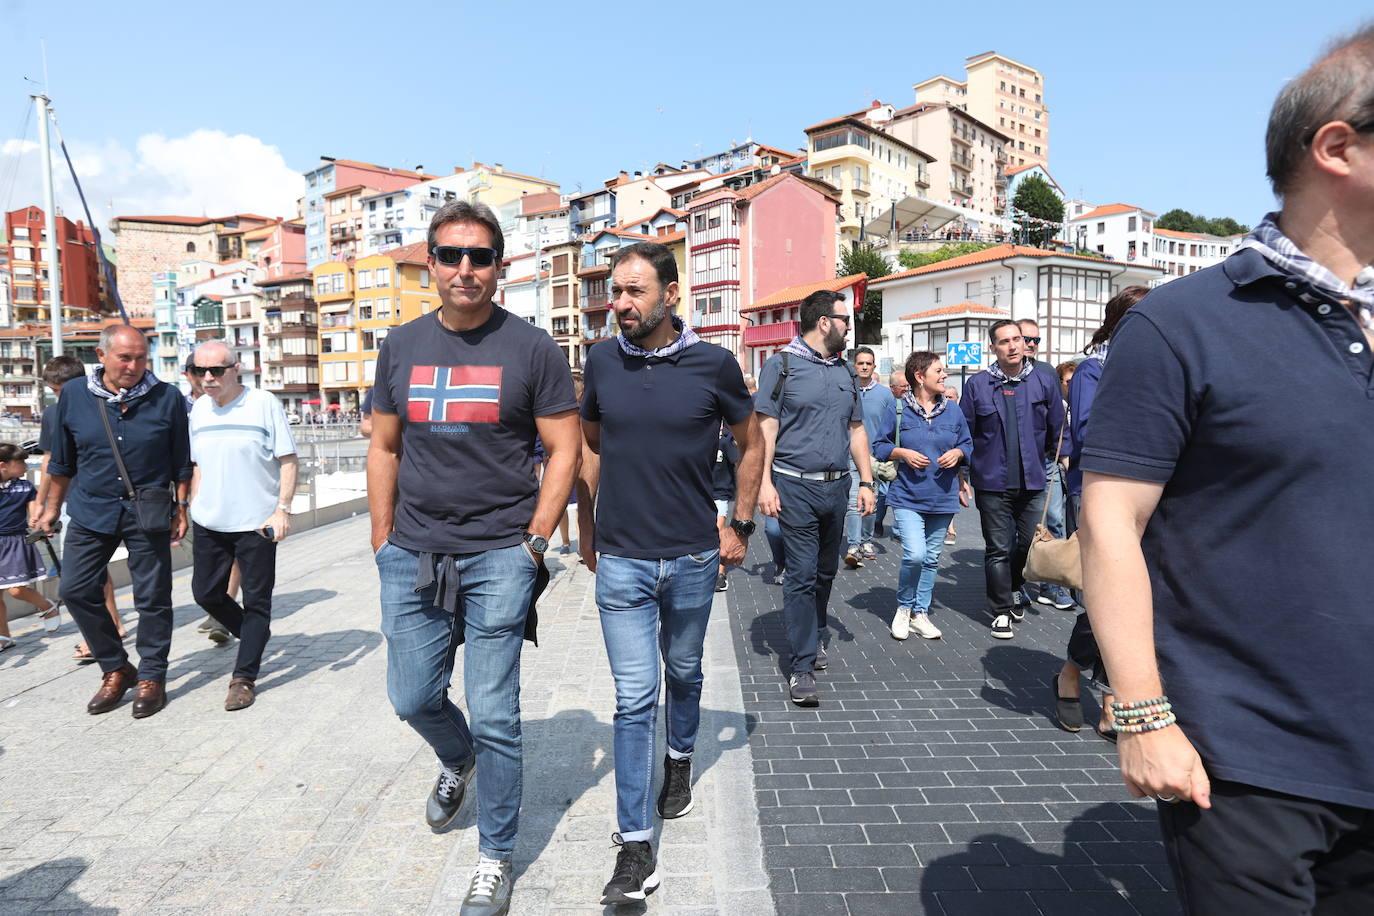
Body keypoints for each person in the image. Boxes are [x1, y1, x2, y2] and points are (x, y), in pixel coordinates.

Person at [1081, 27, 1374, 912]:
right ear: (1337, 147)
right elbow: (1109, 522)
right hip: (1248, 765)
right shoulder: (1184, 326)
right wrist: (1142, 716)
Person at [368, 200, 580, 916]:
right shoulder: (399, 347)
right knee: (412, 697)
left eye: (479, 256)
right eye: (451, 254)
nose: (465, 268)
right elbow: (385, 447)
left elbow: (564, 449)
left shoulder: (531, 350)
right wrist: (381, 538)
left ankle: (495, 856)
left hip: (499, 555)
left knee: (497, 715)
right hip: (413, 552)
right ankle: (455, 759)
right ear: (429, 262)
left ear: (500, 266)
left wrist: (536, 543)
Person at [577, 241, 760, 906]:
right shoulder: (600, 360)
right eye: (615, 293)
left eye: (634, 292)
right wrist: (589, 531)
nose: (620, 304)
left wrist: (738, 524)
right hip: (623, 561)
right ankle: (634, 846)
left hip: (690, 557)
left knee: (684, 671)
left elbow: (751, 444)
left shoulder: (714, 365)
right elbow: (591, 443)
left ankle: (678, 759)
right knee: (632, 699)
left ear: (670, 294)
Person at [39, 324, 192, 718]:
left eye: (141, 358)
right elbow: (62, 462)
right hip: (91, 510)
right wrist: (51, 508)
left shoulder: (167, 397)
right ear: (101, 355)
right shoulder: (73, 396)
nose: (134, 365)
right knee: (74, 589)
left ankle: (152, 676)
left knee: (152, 598)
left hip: (148, 511)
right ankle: (116, 667)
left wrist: (182, 509)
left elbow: (180, 462)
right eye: (125, 357)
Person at [755, 289, 875, 708]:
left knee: (826, 572)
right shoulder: (781, 365)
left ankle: (813, 630)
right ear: (824, 322)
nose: (848, 327)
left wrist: (866, 480)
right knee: (802, 573)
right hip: (793, 486)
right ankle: (802, 664)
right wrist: (764, 483)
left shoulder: (844, 372)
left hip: (837, 486)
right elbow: (765, 428)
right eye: (844, 319)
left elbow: (856, 429)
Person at [1052, 286, 1147, 739]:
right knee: (1103, 597)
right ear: (1123, 321)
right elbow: (1087, 427)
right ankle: (1077, 677)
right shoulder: (1094, 368)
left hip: (1149, 495)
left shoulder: (1158, 366)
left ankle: (1104, 692)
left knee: (1135, 598)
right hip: (1096, 490)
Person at [187, 340, 299, 711]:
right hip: (209, 521)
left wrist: (282, 509)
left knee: (257, 603)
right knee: (206, 593)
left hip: (256, 522)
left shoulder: (263, 403)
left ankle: (243, 678)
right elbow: (198, 463)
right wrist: (193, 505)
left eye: (216, 370)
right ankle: (254, 634)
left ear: (237, 369)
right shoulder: (198, 410)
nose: (207, 378)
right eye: (199, 370)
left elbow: (287, 460)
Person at [959, 319, 1063, 640]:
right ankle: (1001, 610)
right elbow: (965, 433)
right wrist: (962, 475)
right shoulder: (977, 385)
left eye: (1017, 339)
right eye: (1004, 341)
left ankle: (1017, 585)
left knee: (1027, 544)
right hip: (992, 483)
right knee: (997, 548)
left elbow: (1058, 430)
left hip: (1033, 480)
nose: (1014, 346)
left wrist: (1061, 460)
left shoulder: (1044, 381)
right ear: (993, 347)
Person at [873, 353, 970, 641]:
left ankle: (920, 613)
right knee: (915, 554)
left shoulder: (954, 411)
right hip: (907, 496)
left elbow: (967, 443)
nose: (944, 376)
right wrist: (901, 452)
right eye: (939, 371)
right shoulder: (899, 409)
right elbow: (879, 445)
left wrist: (960, 452)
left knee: (931, 558)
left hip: (943, 496)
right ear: (920, 376)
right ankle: (904, 608)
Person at [36, 355, 123, 660]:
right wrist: (45, 503)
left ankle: (102, 635)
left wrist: (44, 503)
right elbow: (53, 460)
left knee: (84, 576)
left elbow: (50, 462)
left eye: (57, 390)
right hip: (81, 499)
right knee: (95, 572)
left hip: (87, 501)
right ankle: (112, 624)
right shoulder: (82, 407)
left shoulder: (60, 411)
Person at [1016, 318, 1074, 611]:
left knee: (1055, 521)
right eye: (1027, 338)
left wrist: (1062, 454)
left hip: (1046, 460)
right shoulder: (999, 374)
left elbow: (1057, 417)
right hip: (1014, 463)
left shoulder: (1046, 372)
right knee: (1022, 527)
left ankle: (1054, 586)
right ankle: (1018, 582)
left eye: (1036, 340)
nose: (1030, 344)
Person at [0, 444, 59, 651]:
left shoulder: (25, 487)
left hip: (15, 542)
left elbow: (34, 510)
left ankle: (47, 606)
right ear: (3, 466)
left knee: (16, 591)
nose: (25, 466)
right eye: (20, 462)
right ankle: (4, 636)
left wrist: (37, 521)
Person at [843, 347, 895, 568]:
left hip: (873, 459)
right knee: (854, 503)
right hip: (847, 457)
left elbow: (892, 427)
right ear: (854, 366)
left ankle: (866, 540)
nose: (864, 366)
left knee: (870, 505)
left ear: (874, 366)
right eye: (860, 363)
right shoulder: (845, 390)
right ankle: (854, 545)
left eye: (868, 363)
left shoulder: (885, 395)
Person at [873, 369, 912, 539]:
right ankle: (877, 521)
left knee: (898, 493)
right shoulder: (887, 403)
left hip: (903, 457)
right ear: (892, 388)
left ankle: (899, 530)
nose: (907, 389)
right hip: (885, 456)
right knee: (882, 493)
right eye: (903, 386)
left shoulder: (911, 404)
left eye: (909, 386)